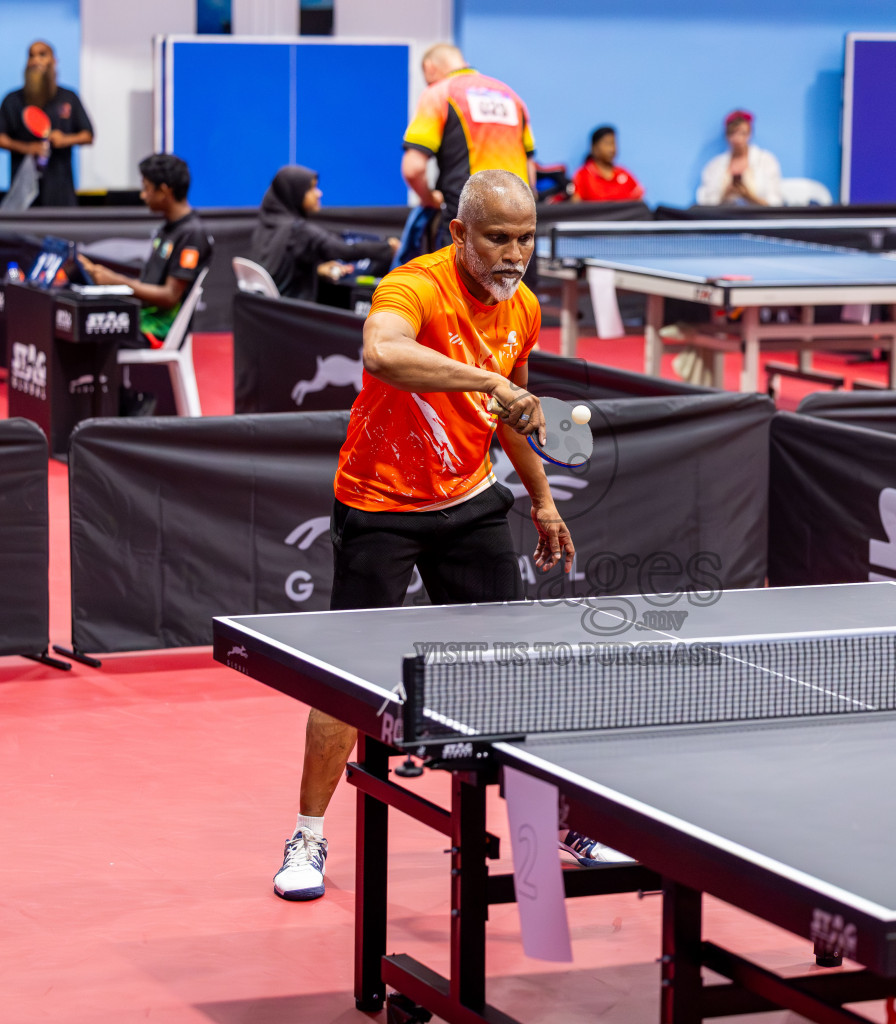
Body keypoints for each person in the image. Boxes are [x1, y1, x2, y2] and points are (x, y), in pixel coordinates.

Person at [272, 170, 629, 902]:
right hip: (380, 504)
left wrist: (542, 500)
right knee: (347, 683)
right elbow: (383, 354)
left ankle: (553, 819)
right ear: (460, 232)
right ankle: (307, 833)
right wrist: (486, 381)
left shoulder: (522, 307)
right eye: (498, 237)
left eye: (526, 238)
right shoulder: (415, 287)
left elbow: (513, 413)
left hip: (469, 502)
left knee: (510, 672)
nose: (515, 253)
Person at [400, 43, 536, 251]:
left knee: (458, 284)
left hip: (468, 222)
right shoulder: (510, 95)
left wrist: (428, 199)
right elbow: (530, 166)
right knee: (515, 283)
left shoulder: (439, 93)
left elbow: (413, 168)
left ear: (429, 67)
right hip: (519, 223)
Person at [77, 154, 213, 349]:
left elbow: (169, 296)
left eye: (147, 188)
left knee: (85, 333)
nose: (143, 195)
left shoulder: (192, 234)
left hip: (158, 330)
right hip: (141, 318)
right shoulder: (168, 228)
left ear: (164, 191)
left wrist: (116, 281)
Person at [249, 166, 399, 301]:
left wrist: (317, 270)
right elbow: (344, 250)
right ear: (294, 193)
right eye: (311, 189)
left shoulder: (267, 225)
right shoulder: (299, 231)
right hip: (293, 315)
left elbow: (284, 269)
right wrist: (387, 247)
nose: (319, 193)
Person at [0, 40, 94, 208]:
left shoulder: (69, 97)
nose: (36, 60)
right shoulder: (13, 100)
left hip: (61, 191)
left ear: (54, 61)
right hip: (25, 192)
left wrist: (65, 139)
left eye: (42, 54)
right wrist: (28, 148)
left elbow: (88, 134)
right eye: (31, 55)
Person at [697, 110, 782, 207]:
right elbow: (705, 203)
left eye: (742, 133)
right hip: (725, 218)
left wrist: (749, 197)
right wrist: (724, 196)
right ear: (726, 136)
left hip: (759, 218)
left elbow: (775, 202)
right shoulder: (714, 165)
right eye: (733, 133)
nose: (737, 139)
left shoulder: (766, 161)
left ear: (750, 134)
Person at [571, 125, 644, 203]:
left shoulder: (624, 174)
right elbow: (575, 207)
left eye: (613, 143)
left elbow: (639, 205)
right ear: (594, 148)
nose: (611, 149)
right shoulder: (583, 175)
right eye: (607, 144)